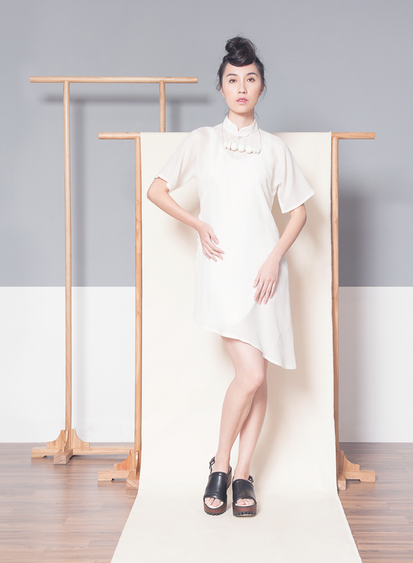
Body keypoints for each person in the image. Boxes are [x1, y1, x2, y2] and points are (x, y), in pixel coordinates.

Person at [146, 37, 314, 517]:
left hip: (266, 276)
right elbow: (157, 189)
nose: (241, 87)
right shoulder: (203, 140)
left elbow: (299, 213)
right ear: (221, 87)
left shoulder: (275, 149)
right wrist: (198, 224)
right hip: (222, 272)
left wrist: (275, 257)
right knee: (252, 373)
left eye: (250, 78)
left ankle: (242, 475)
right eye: (232, 79)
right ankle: (220, 465)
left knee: (258, 378)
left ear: (262, 87)